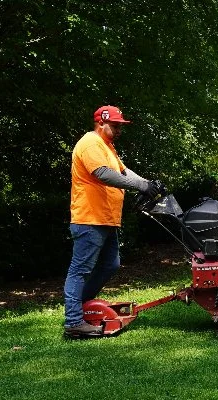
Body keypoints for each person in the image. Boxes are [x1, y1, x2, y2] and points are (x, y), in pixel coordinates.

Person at [63, 105, 163, 337]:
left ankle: (80, 307)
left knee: (111, 264)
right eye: (115, 126)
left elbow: (123, 172)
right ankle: (74, 322)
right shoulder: (90, 143)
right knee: (80, 269)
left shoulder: (107, 147)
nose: (119, 130)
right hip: (90, 218)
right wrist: (141, 186)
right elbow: (103, 174)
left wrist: (150, 184)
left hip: (106, 219)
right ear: (101, 123)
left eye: (120, 126)